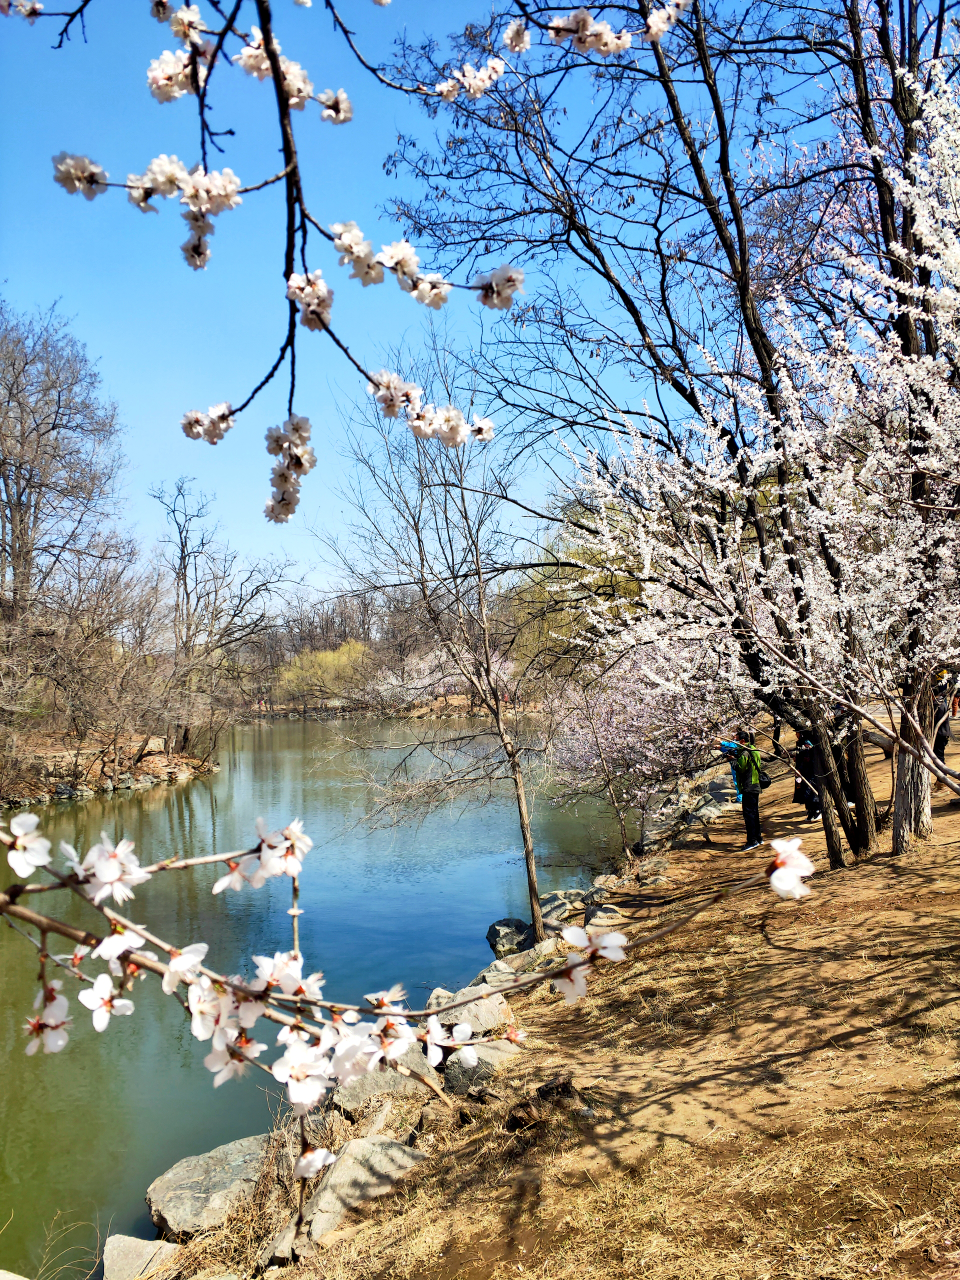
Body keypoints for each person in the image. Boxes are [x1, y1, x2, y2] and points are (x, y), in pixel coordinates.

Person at [718, 728, 764, 850]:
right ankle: (758, 838)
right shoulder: (753, 749)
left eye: (736, 740)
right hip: (755, 785)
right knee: (755, 813)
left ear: (742, 741)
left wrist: (732, 760)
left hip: (749, 786)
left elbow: (740, 767)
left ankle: (752, 840)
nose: (734, 742)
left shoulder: (745, 753)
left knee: (748, 814)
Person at [792, 734, 821, 822]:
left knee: (811, 791)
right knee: (805, 792)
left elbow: (808, 757)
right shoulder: (800, 742)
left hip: (811, 771)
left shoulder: (807, 741)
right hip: (803, 771)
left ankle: (817, 810)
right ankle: (810, 811)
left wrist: (800, 767)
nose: (796, 734)